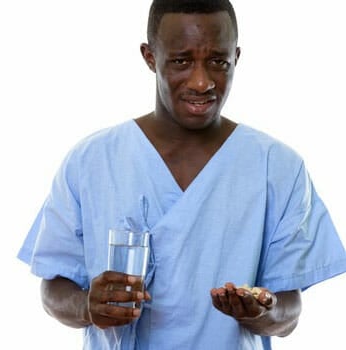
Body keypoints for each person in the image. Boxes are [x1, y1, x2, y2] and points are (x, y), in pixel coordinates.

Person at [18, 0, 346, 349]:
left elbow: (289, 312)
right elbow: (53, 290)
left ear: (236, 57)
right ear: (150, 57)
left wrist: (260, 312)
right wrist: (87, 305)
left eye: (218, 61)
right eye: (181, 61)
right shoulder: (91, 161)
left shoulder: (277, 167)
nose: (202, 82)